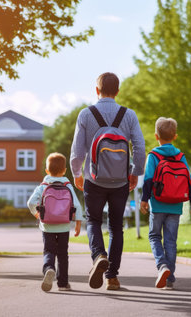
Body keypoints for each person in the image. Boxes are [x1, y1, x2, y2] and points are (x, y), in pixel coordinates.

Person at [70, 72, 145, 290]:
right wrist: (135, 172)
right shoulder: (129, 115)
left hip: (93, 179)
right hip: (120, 180)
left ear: (97, 90)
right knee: (116, 227)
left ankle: (99, 256)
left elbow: (77, 149)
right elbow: (139, 148)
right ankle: (112, 277)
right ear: (118, 91)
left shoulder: (85, 114)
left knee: (93, 221)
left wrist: (77, 173)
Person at [140, 117, 191, 290]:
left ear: (156, 136)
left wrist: (144, 200)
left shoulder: (153, 155)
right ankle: (170, 279)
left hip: (158, 204)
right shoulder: (180, 156)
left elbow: (148, 180)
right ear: (175, 136)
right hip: (176, 206)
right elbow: (190, 183)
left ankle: (162, 266)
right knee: (171, 242)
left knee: (154, 236)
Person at [27, 152, 84, 292]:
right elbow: (77, 205)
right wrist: (78, 223)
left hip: (47, 226)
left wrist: (37, 214)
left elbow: (30, 202)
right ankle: (63, 283)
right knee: (63, 255)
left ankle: (49, 268)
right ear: (64, 170)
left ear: (47, 171)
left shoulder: (43, 186)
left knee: (49, 251)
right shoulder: (68, 185)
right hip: (64, 225)